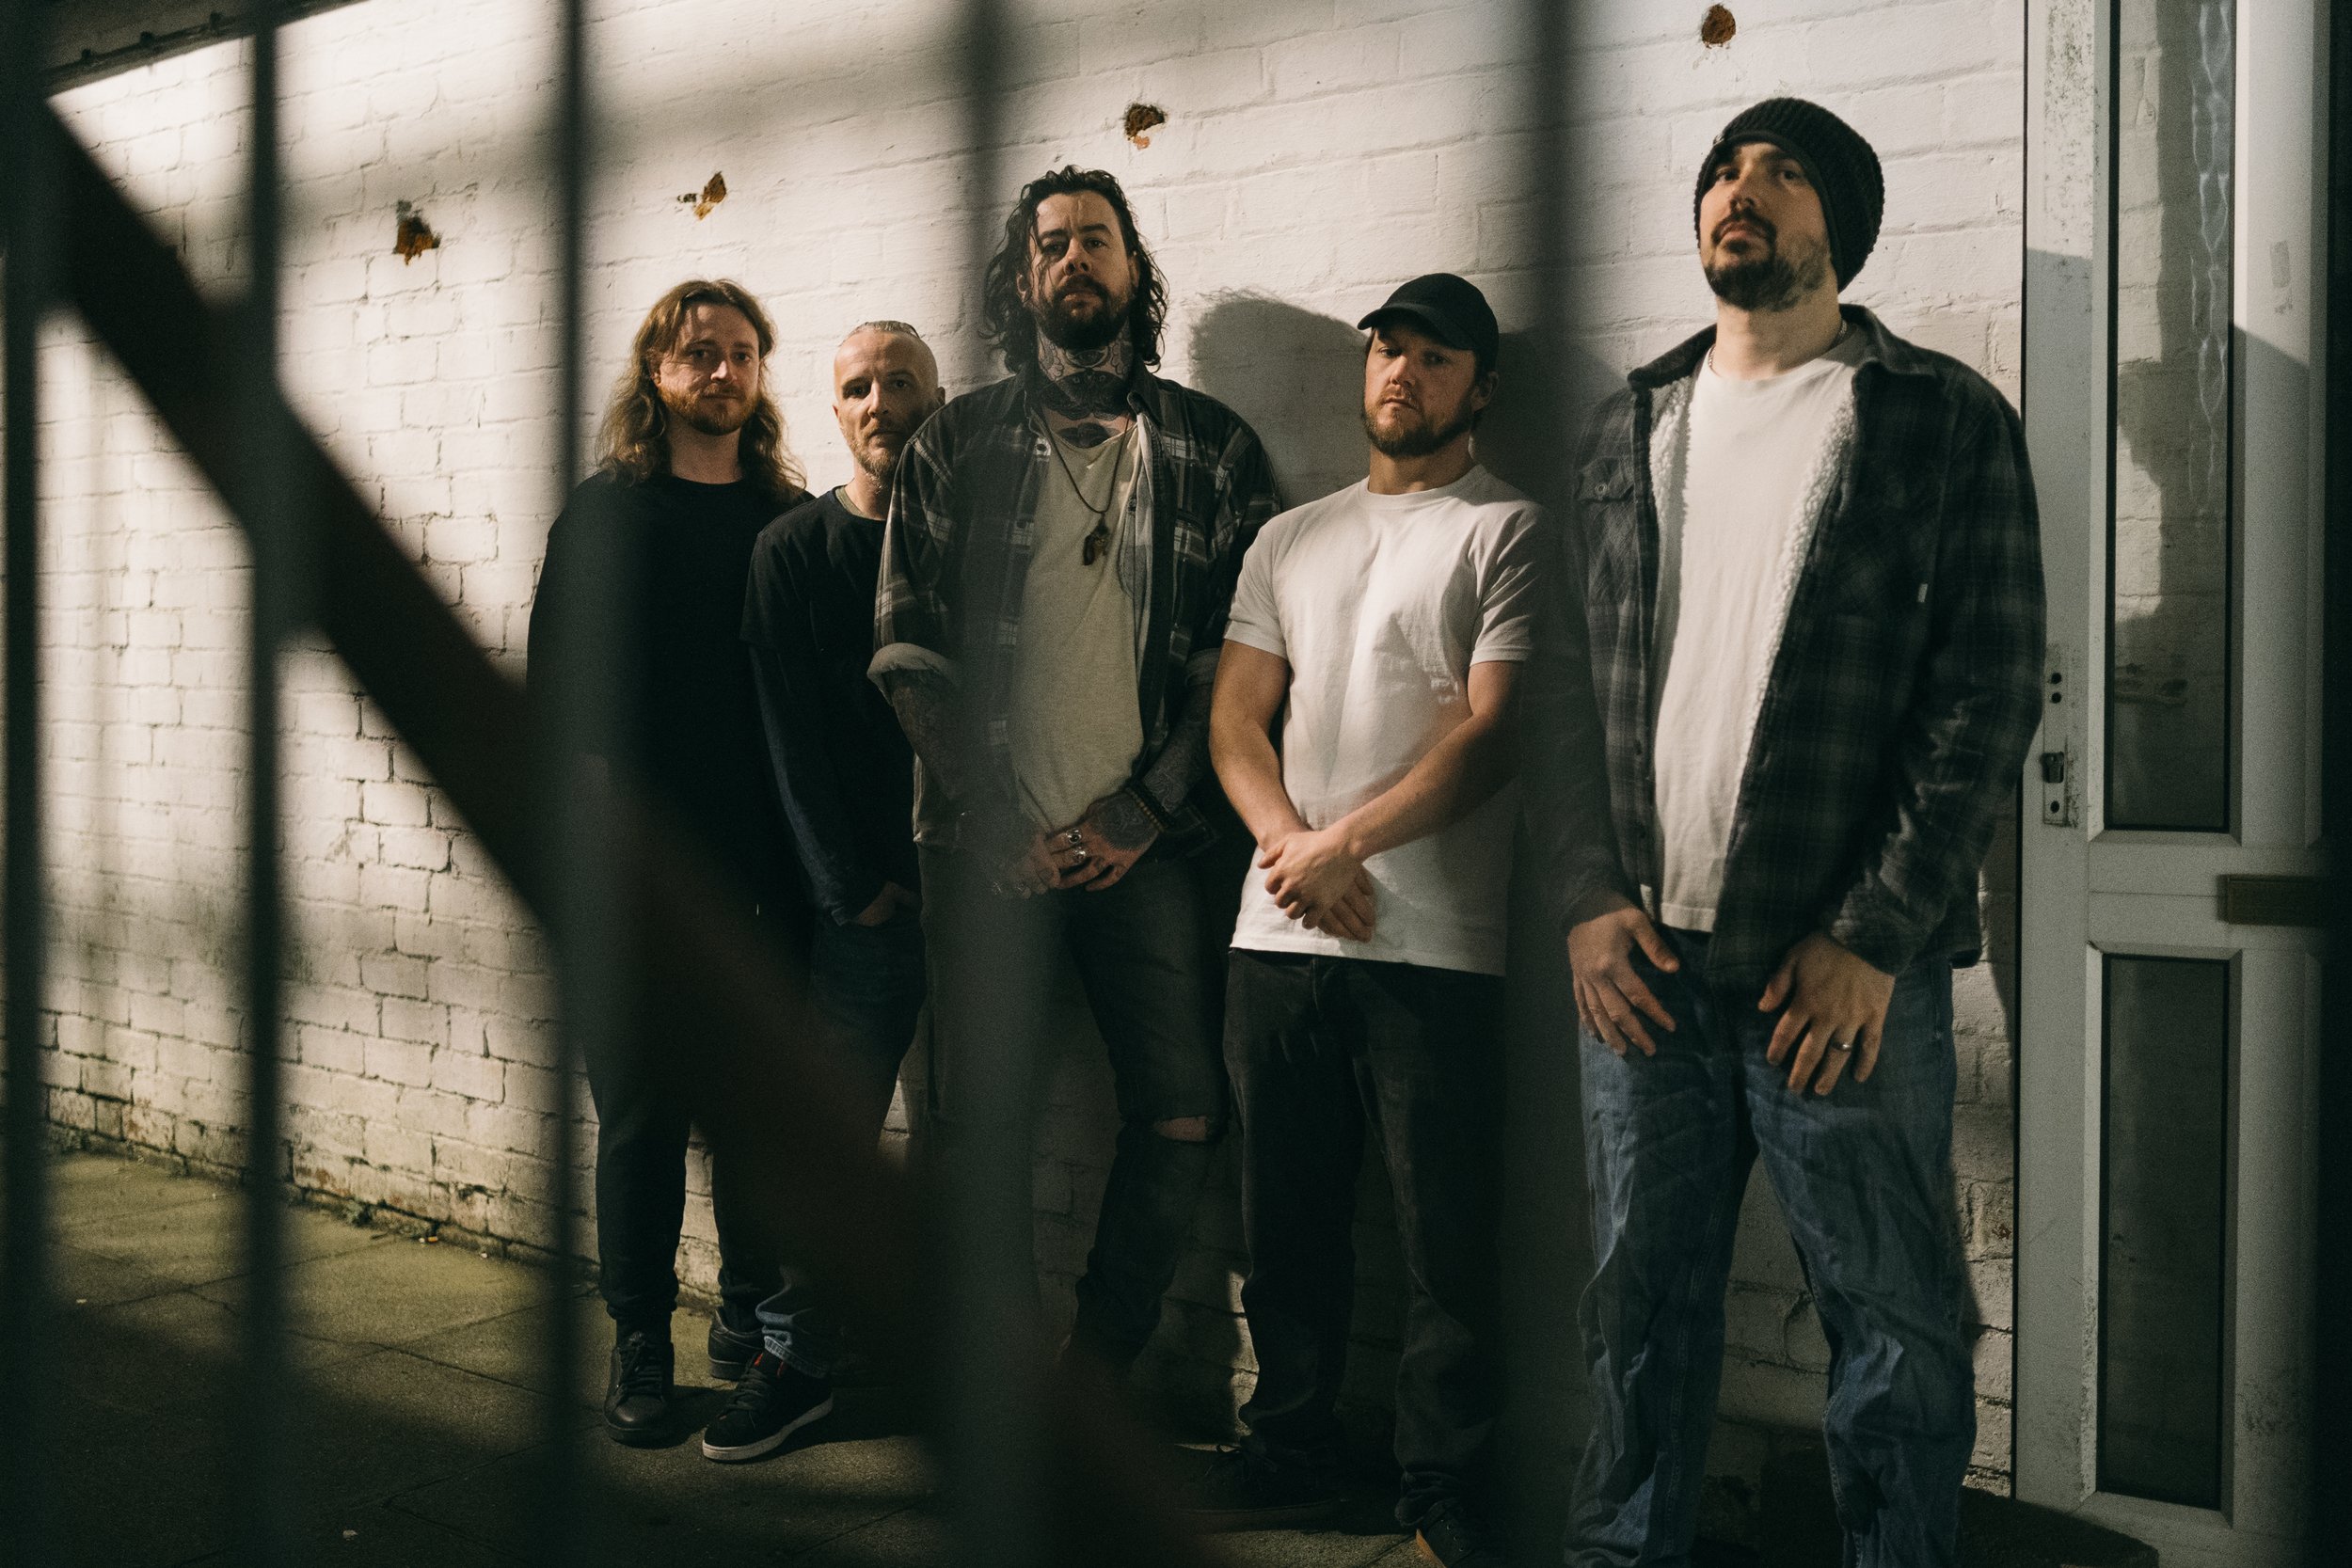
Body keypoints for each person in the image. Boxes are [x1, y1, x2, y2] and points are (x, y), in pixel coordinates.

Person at [1526, 99, 2044, 1566]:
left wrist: (1872, 937)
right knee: (1635, 1307)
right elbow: (1563, 689)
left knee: (1890, 1316)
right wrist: (1579, 895)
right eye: (1721, 169)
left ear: (1845, 228)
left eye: (1783, 168)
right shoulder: (1629, 419)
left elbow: (1987, 694)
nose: (1738, 187)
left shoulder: (1936, 416)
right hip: (1640, 968)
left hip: (1835, 979)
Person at [871, 166, 1280, 1378]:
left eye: (1096, 240)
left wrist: (1142, 809)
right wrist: (995, 814)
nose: (1074, 260)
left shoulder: (1211, 447)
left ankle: (1094, 1374)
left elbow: (1239, 664)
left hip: (1142, 850)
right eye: (1051, 245)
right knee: (974, 1127)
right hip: (978, 844)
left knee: (1183, 1108)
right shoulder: (955, 439)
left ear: (1132, 268)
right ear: (1023, 277)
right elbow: (904, 648)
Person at [1187, 274, 1537, 1568]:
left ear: (1478, 385)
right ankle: (1289, 1444)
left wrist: (1346, 842)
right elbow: (1234, 718)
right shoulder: (1290, 536)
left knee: (1447, 1241)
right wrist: (1294, 849)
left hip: (1439, 948)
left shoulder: (1511, 529)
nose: (1401, 371)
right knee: (1286, 1224)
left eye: (1434, 356)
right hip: (1278, 936)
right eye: (1386, 348)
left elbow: (1496, 734)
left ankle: (1442, 1479)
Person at [526, 278, 807, 1446]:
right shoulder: (606, 514)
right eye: (699, 354)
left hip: (772, 875)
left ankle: (745, 1318)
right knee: (642, 1113)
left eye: (741, 354)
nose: (722, 372)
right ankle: (640, 1331)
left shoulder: (786, 518)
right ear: (656, 372)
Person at [704, 322, 944, 1461]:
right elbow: (784, 740)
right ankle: (795, 1354)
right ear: (833, 410)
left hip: (996, 893)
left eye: (902, 380)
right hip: (871, 910)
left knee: (980, 1140)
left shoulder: (991, 543)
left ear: (937, 401)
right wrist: (852, 890)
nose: (881, 399)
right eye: (858, 385)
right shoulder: (792, 550)